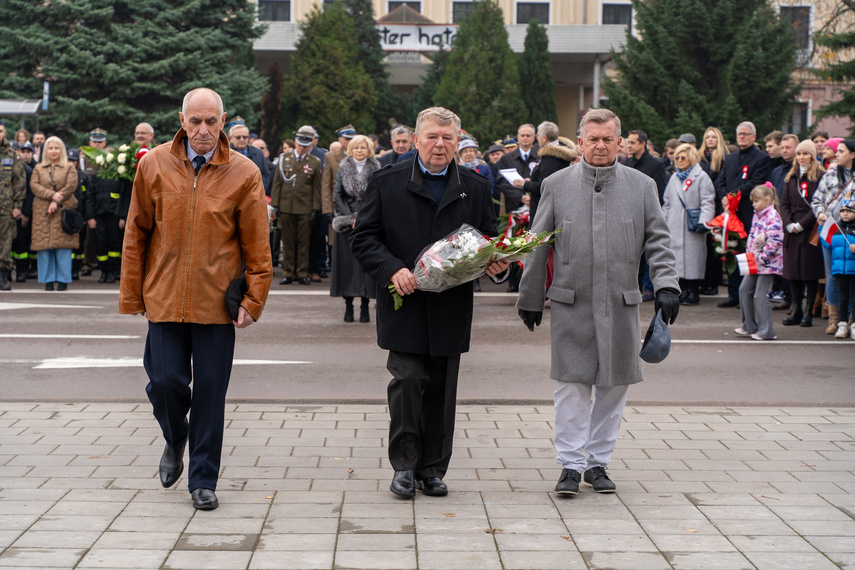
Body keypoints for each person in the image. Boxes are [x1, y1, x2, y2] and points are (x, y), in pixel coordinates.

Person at [119, 87, 273, 511]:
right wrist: (133, 295)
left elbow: (258, 247)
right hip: (164, 297)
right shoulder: (153, 166)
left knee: (209, 392)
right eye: (195, 121)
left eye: (211, 121)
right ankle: (175, 436)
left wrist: (253, 299)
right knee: (166, 384)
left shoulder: (244, 173)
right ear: (181, 120)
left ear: (223, 121)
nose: (203, 130)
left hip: (217, 303)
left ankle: (203, 478)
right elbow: (136, 233)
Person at [516, 108, 680, 496]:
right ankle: (570, 466)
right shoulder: (556, 184)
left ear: (620, 142)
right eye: (594, 139)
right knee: (571, 385)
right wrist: (531, 295)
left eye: (609, 139)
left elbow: (658, 239)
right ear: (582, 141)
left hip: (620, 303)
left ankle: (597, 463)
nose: (602, 146)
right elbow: (538, 242)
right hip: (572, 302)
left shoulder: (642, 186)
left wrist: (667, 285)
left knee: (614, 386)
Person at [349, 106, 508, 499]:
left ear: (459, 140)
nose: (440, 144)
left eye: (447, 138)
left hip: (450, 306)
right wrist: (392, 269)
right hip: (404, 300)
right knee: (408, 381)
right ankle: (404, 465)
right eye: (432, 136)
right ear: (416, 139)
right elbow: (363, 238)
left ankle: (432, 468)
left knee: (441, 389)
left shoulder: (476, 186)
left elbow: (485, 241)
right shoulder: (387, 182)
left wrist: (496, 265)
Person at [714, 121, 771, 308]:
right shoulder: (730, 158)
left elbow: (755, 182)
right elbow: (720, 181)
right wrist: (724, 196)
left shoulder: (761, 158)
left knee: (748, 252)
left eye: (746, 134)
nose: (742, 137)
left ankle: (746, 295)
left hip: (748, 212)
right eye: (739, 134)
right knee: (730, 250)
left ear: (754, 137)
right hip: (730, 213)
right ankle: (733, 293)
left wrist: (732, 196)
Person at [330, 135, 380, 323]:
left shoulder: (376, 168)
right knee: (347, 267)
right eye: (356, 147)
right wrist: (350, 218)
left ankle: (365, 305)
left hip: (367, 222)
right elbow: (338, 196)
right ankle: (348, 304)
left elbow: (376, 196)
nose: (360, 151)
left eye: (363, 147)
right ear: (351, 149)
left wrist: (361, 219)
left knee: (366, 265)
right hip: (346, 223)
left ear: (369, 150)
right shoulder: (344, 167)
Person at [662, 143, 716, 305]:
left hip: (693, 225)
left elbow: (708, 201)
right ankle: (683, 289)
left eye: (682, 157)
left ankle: (693, 291)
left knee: (693, 259)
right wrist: (663, 222)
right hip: (674, 224)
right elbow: (667, 203)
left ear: (691, 158)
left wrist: (704, 221)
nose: (678, 160)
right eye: (676, 157)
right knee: (677, 259)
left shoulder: (701, 177)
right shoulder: (674, 178)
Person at [780, 140, 825, 327]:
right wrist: (789, 223)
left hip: (809, 228)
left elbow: (819, 204)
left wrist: (801, 224)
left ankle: (808, 311)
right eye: (799, 154)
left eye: (805, 154)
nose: (801, 157)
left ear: (812, 156)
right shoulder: (792, 177)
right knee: (794, 272)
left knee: (809, 272)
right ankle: (796, 309)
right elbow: (784, 203)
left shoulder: (819, 176)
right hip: (792, 230)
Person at [812, 139, 855, 334]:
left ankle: (852, 319)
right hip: (832, 230)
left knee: (852, 275)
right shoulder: (829, 175)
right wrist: (820, 212)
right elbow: (817, 199)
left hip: (853, 233)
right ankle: (835, 319)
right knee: (833, 274)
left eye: (841, 151)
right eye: (836, 151)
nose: (837, 154)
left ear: (852, 155)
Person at [271, 126, 322, 285]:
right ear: (295, 142)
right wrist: (276, 205)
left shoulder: (314, 162)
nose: (301, 148)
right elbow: (277, 184)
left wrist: (315, 208)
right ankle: (288, 272)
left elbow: (317, 187)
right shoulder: (284, 159)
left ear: (311, 145)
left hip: (305, 207)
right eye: (299, 144)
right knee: (287, 241)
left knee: (303, 242)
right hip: (286, 206)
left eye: (305, 146)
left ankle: (301, 273)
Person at [735, 184, 783, 341]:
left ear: (767, 200)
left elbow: (775, 241)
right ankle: (749, 325)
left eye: (756, 201)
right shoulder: (758, 214)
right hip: (755, 261)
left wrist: (762, 257)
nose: (753, 204)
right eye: (753, 201)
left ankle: (767, 331)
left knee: (761, 294)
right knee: (744, 289)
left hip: (768, 263)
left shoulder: (773, 216)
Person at [29, 137, 79, 291]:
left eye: (56, 148)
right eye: (50, 148)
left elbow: (71, 185)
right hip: (42, 211)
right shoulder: (39, 168)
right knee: (44, 246)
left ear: (61, 150)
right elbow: (34, 185)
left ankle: (63, 280)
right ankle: (48, 280)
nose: (53, 151)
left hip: (63, 209)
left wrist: (57, 199)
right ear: (46, 151)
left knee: (63, 246)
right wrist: (51, 195)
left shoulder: (69, 167)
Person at [0, 122, 25, 290]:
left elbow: (20, 181)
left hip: (6, 207)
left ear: (5, 132)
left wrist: (18, 205)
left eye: (0, 131)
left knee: (5, 243)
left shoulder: (11, 154)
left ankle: (2, 277)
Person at [826, 197, 855, 339]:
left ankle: (854, 324)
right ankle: (842, 324)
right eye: (842, 211)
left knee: (854, 298)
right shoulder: (836, 229)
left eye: (849, 211)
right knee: (843, 297)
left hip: (853, 268)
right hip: (840, 269)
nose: (845, 214)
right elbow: (827, 245)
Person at [11, 142, 36, 282]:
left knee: (21, 244)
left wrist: (25, 213)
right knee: (7, 245)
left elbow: (30, 194)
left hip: (21, 214)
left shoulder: (26, 170)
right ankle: (7, 272)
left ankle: (22, 271)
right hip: (6, 213)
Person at [229, 123, 271, 194]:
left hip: (254, 195)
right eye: (238, 137)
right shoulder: (225, 153)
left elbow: (265, 174)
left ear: (248, 137)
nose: (242, 139)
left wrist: (259, 191)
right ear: (231, 138)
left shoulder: (258, 153)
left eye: (245, 137)